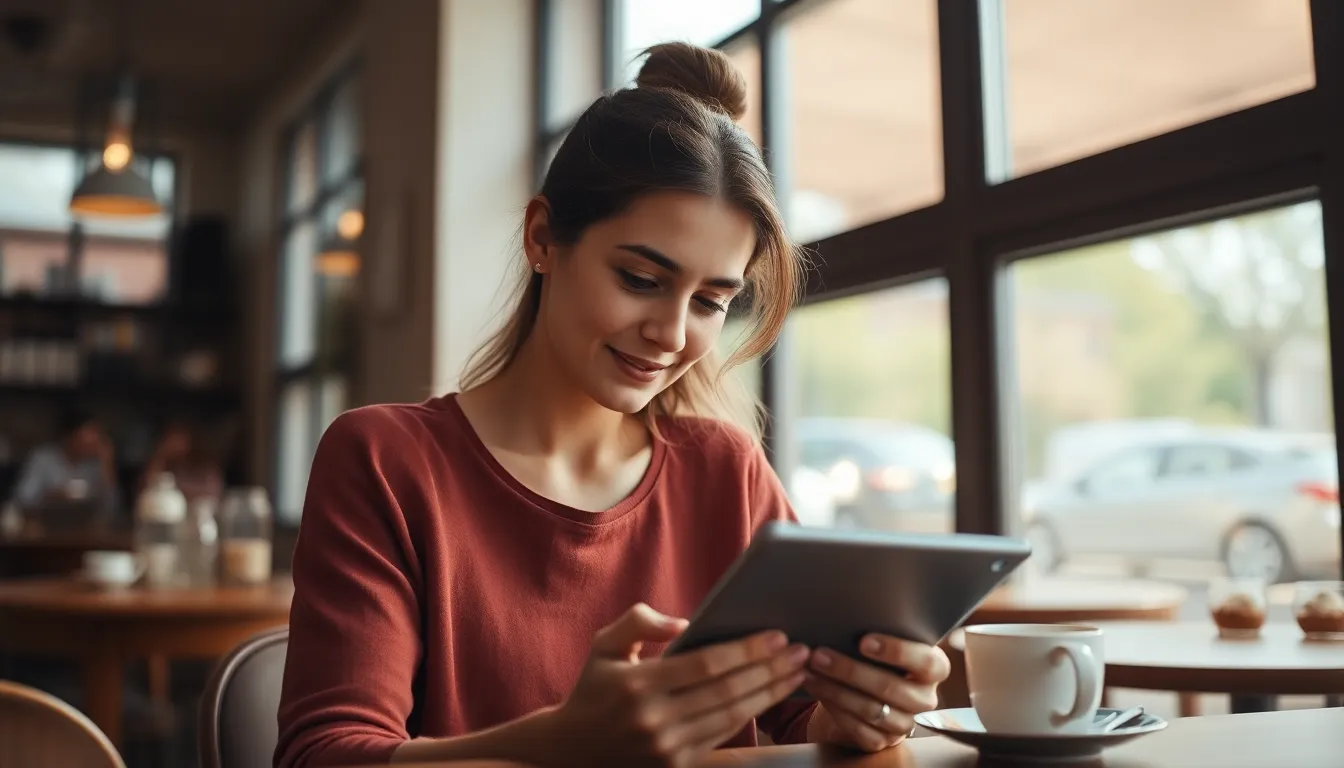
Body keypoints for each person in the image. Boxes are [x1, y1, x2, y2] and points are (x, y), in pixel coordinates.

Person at [275, 43, 949, 768]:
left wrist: (860, 713)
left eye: (712, 301)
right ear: (542, 238)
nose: (671, 333)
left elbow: (797, 721)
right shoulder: (385, 460)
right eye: (639, 278)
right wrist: (563, 744)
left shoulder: (728, 470)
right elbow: (323, 756)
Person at [10, 406, 119, 521]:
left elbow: (112, 509)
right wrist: (49, 497)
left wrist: (107, 463)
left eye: (97, 435)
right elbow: (22, 500)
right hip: (46, 528)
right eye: (89, 434)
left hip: (86, 530)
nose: (94, 440)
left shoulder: (96, 464)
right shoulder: (43, 459)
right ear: (70, 436)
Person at [139, 420, 224, 505]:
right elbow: (145, 487)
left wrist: (175, 488)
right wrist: (161, 456)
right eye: (170, 439)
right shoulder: (165, 464)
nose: (174, 444)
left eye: (178, 439)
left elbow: (212, 492)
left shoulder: (205, 466)